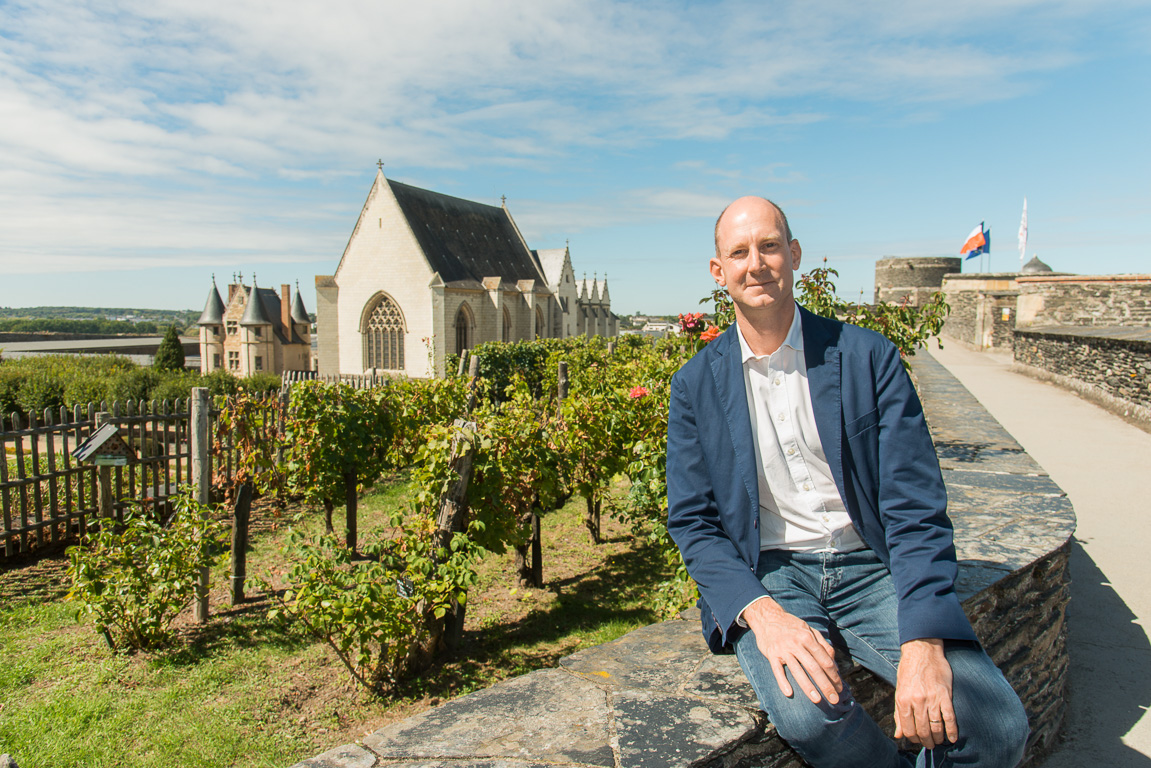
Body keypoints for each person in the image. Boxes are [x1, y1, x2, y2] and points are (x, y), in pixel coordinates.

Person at [666, 196, 1029, 767]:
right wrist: (762, 614)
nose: (755, 263)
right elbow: (693, 520)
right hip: (774, 574)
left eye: (768, 246)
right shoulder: (694, 387)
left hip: (871, 567)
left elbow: (914, 504)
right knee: (809, 714)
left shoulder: (866, 356)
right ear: (719, 271)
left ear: (795, 254)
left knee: (997, 725)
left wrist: (923, 641)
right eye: (739, 252)